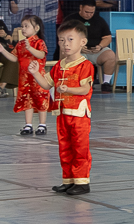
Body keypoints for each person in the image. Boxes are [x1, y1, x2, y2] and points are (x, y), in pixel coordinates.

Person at [34, 20, 95, 194]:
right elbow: (46, 84)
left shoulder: (86, 65)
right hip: (62, 113)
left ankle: (82, 182)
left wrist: (68, 89)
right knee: (65, 147)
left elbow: (85, 88)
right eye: (62, 40)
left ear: (82, 42)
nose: (65, 44)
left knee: (79, 147)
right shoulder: (59, 66)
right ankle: (68, 180)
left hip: (79, 114)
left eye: (70, 39)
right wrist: (35, 73)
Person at [0, 14, 52, 136]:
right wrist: (3, 51)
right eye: (22, 26)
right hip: (24, 78)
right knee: (27, 100)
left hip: (37, 78)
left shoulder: (39, 42)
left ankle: (42, 124)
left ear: (36, 28)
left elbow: (41, 55)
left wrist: (30, 48)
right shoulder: (20, 44)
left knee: (40, 99)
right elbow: (14, 58)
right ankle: (28, 124)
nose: (23, 29)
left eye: (27, 26)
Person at [74, 0, 120, 89]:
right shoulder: (71, 20)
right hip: (79, 51)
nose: (89, 14)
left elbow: (107, 37)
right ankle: (84, 83)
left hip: (95, 51)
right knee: (77, 58)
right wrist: (78, 47)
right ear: (81, 8)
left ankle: (106, 83)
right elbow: (66, 38)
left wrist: (100, 46)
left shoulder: (99, 20)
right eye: (87, 12)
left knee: (110, 55)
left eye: (92, 12)